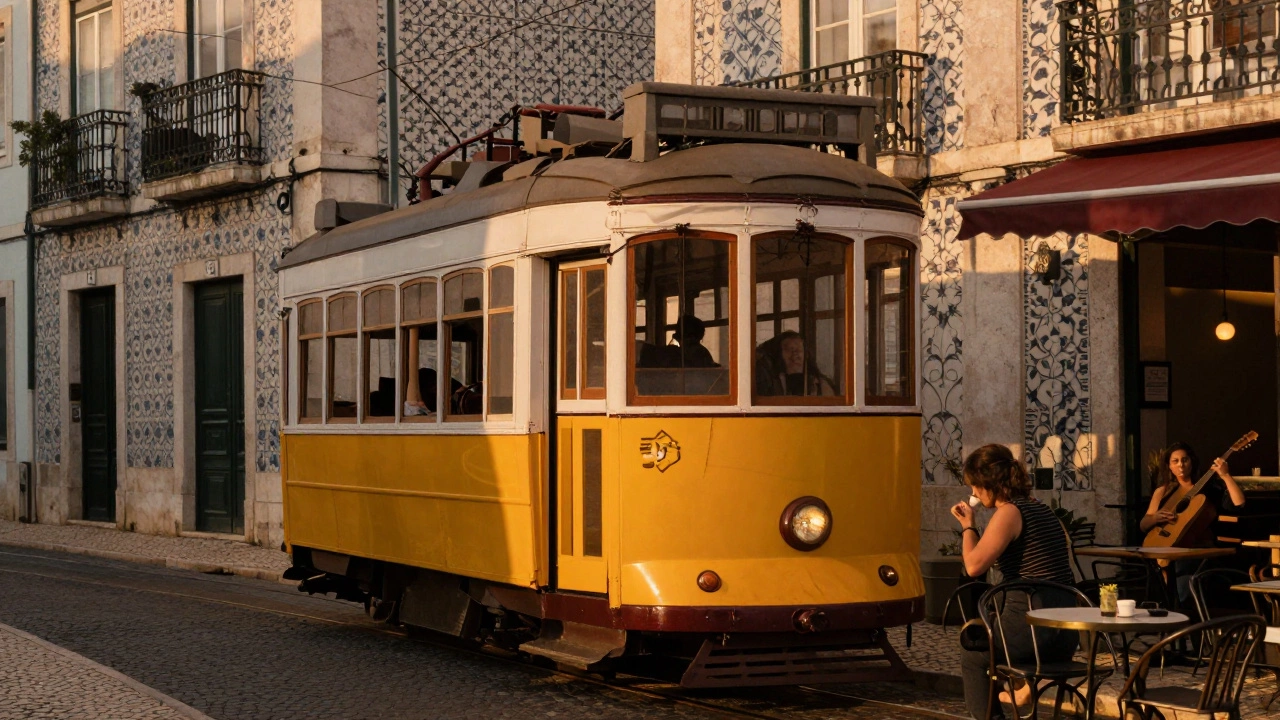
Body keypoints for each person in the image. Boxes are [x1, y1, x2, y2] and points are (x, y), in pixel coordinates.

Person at [951, 444, 1077, 720]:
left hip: (1031, 629)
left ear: (989, 483)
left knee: (974, 652)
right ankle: (1023, 685)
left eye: (974, 485)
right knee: (995, 628)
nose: (973, 492)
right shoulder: (1042, 510)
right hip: (1065, 633)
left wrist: (968, 526)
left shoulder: (1009, 512)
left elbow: (973, 566)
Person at [1139, 441, 1246, 606]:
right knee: (1159, 566)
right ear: (1169, 466)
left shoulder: (1208, 489)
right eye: (1175, 461)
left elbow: (1239, 504)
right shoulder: (1163, 491)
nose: (1181, 465)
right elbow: (1144, 525)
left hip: (1198, 552)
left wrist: (1225, 476)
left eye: (1185, 460)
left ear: (1192, 462)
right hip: (1166, 550)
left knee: (1181, 571)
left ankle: (1183, 613)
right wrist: (1155, 518)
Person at [754, 331, 835, 397]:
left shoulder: (821, 384)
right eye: (789, 349)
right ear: (779, 354)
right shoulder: (771, 384)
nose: (795, 353)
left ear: (806, 354)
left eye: (799, 349)